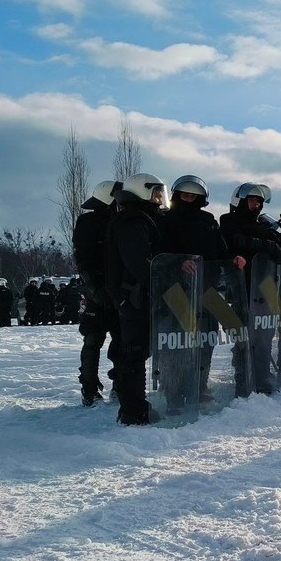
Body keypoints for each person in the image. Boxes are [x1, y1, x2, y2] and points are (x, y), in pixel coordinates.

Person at [160, 175, 231, 410]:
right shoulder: (166, 220)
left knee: (206, 340)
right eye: (185, 195)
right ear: (177, 196)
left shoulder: (209, 220)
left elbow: (221, 250)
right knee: (179, 344)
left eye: (194, 196)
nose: (189, 199)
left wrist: (233, 260)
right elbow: (159, 253)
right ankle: (174, 394)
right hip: (177, 291)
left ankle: (198, 388)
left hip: (207, 289)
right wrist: (178, 264)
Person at [105, 172, 168, 425]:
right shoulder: (132, 222)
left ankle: (135, 405)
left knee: (136, 352)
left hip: (137, 296)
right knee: (133, 352)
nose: (159, 198)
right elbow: (139, 264)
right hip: (134, 298)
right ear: (142, 191)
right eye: (155, 193)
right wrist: (161, 282)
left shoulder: (139, 218)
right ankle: (134, 409)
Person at [220, 182, 281, 395]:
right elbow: (238, 241)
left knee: (265, 333)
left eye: (259, 201)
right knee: (244, 335)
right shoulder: (228, 220)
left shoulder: (265, 224)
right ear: (240, 201)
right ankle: (244, 378)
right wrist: (268, 245)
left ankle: (262, 376)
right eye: (251, 200)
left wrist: (278, 244)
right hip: (243, 285)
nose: (256, 205)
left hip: (267, 285)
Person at [74, 180, 120, 405]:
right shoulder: (88, 222)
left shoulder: (121, 219)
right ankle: (89, 388)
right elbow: (83, 261)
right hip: (97, 293)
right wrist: (95, 291)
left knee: (122, 342)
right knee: (93, 341)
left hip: (118, 291)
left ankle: (119, 383)